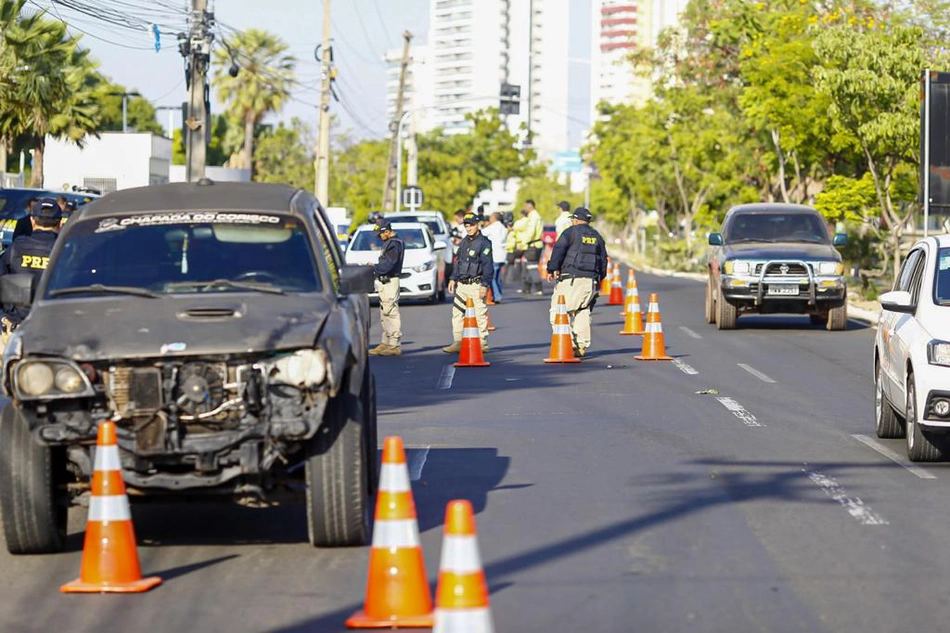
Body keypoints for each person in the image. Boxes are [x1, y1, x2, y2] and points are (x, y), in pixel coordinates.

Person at [546, 207, 608, 359]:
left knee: (559, 311)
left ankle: (569, 342)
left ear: (575, 219)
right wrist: (600, 279)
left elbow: (558, 250)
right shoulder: (597, 236)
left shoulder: (570, 232)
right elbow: (603, 260)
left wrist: (552, 269)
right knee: (583, 311)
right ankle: (581, 344)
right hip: (590, 281)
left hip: (571, 279)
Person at [0, 199, 62, 345]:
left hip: (15, 328)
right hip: (52, 330)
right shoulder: (66, 251)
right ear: (59, 224)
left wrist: (3, 317)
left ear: (32, 221)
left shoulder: (14, 248)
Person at [442, 212, 493, 354]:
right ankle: (458, 341)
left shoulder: (484, 243)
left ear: (477, 224)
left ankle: (482, 343)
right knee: (457, 314)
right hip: (462, 284)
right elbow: (458, 262)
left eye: (471, 225)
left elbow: (488, 266)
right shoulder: (464, 241)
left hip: (476, 284)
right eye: (467, 225)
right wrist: (453, 278)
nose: (469, 228)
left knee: (479, 314)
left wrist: (485, 285)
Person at [368, 220, 405, 357]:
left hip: (390, 281)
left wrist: (374, 268)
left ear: (387, 232)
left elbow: (388, 265)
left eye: (380, 234)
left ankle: (394, 344)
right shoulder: (390, 243)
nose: (378, 237)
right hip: (385, 281)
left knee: (391, 312)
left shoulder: (394, 244)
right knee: (385, 312)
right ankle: (386, 341)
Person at [481, 211, 509, 302]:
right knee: (497, 278)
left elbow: (482, 233)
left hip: (495, 255)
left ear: (494, 218)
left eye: (490, 217)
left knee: (492, 277)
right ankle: (498, 294)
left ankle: (497, 296)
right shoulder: (504, 228)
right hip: (502, 255)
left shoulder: (493, 227)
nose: (489, 218)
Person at [522, 199, 544, 295]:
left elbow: (531, 232)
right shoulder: (536, 215)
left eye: (526, 206)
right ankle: (526, 288)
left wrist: (523, 242)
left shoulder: (533, 217)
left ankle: (539, 289)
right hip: (536, 244)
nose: (525, 208)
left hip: (533, 245)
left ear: (530, 206)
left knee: (532, 267)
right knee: (529, 267)